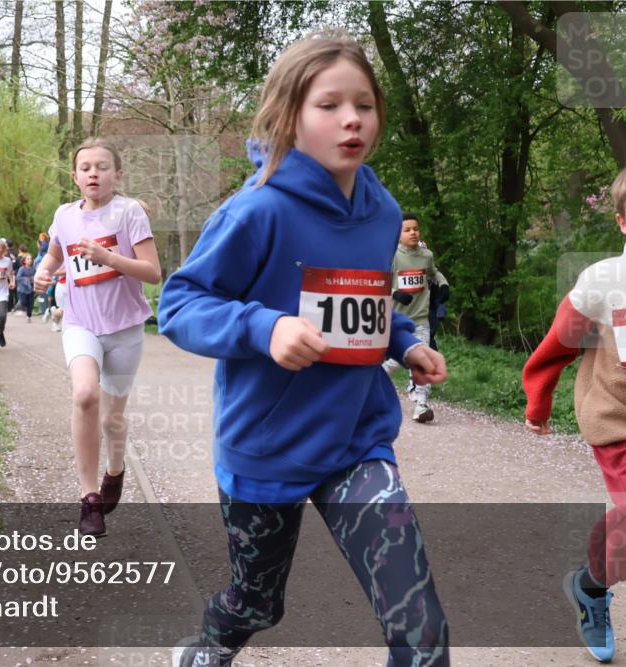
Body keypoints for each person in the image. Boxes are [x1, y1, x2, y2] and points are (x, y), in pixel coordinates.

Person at [157, 34, 449, 667]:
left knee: (422, 629)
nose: (351, 119)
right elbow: (178, 306)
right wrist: (265, 329)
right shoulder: (255, 210)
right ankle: (207, 649)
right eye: (329, 105)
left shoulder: (382, 210)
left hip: (357, 442)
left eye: (365, 105)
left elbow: (366, 302)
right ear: (289, 115)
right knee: (258, 603)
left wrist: (405, 343)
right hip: (266, 449)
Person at [523, 167, 626, 664]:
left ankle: (591, 581)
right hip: (615, 418)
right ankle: (590, 589)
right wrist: (538, 398)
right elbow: (557, 345)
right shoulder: (604, 282)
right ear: (623, 223)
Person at [34, 137, 162, 537]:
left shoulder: (129, 213)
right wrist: (44, 270)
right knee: (85, 395)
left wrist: (108, 258)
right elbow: (57, 254)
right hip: (81, 324)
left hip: (124, 329)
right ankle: (89, 498)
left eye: (102, 167)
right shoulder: (65, 215)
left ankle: (115, 469)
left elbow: (152, 272)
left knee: (113, 417)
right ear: (75, 176)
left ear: (117, 175)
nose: (93, 173)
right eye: (85, 167)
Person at [382, 213, 449, 423]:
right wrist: (395, 293)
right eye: (407, 229)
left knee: (424, 358)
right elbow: (381, 282)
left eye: (415, 228)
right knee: (396, 360)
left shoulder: (425, 255)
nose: (413, 232)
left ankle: (420, 404)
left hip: (420, 318)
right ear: (397, 234)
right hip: (396, 319)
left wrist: (444, 284)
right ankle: (372, 378)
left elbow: (434, 273)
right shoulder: (393, 256)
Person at [16, 255, 36, 322]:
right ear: (24, 261)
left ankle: (28, 316)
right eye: (28, 259)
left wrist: (34, 279)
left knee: (30, 303)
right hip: (22, 289)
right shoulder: (22, 269)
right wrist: (26, 279)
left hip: (31, 289)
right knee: (24, 302)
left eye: (31, 259)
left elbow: (35, 277)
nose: (30, 260)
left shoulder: (33, 269)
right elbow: (18, 277)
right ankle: (20, 307)